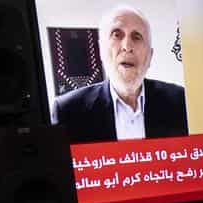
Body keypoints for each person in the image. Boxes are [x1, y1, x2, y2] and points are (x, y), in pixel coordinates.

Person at [53, 5, 188, 143]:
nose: (127, 46)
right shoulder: (68, 111)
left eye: (137, 37)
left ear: (150, 55)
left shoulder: (183, 102)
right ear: (101, 50)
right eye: (117, 35)